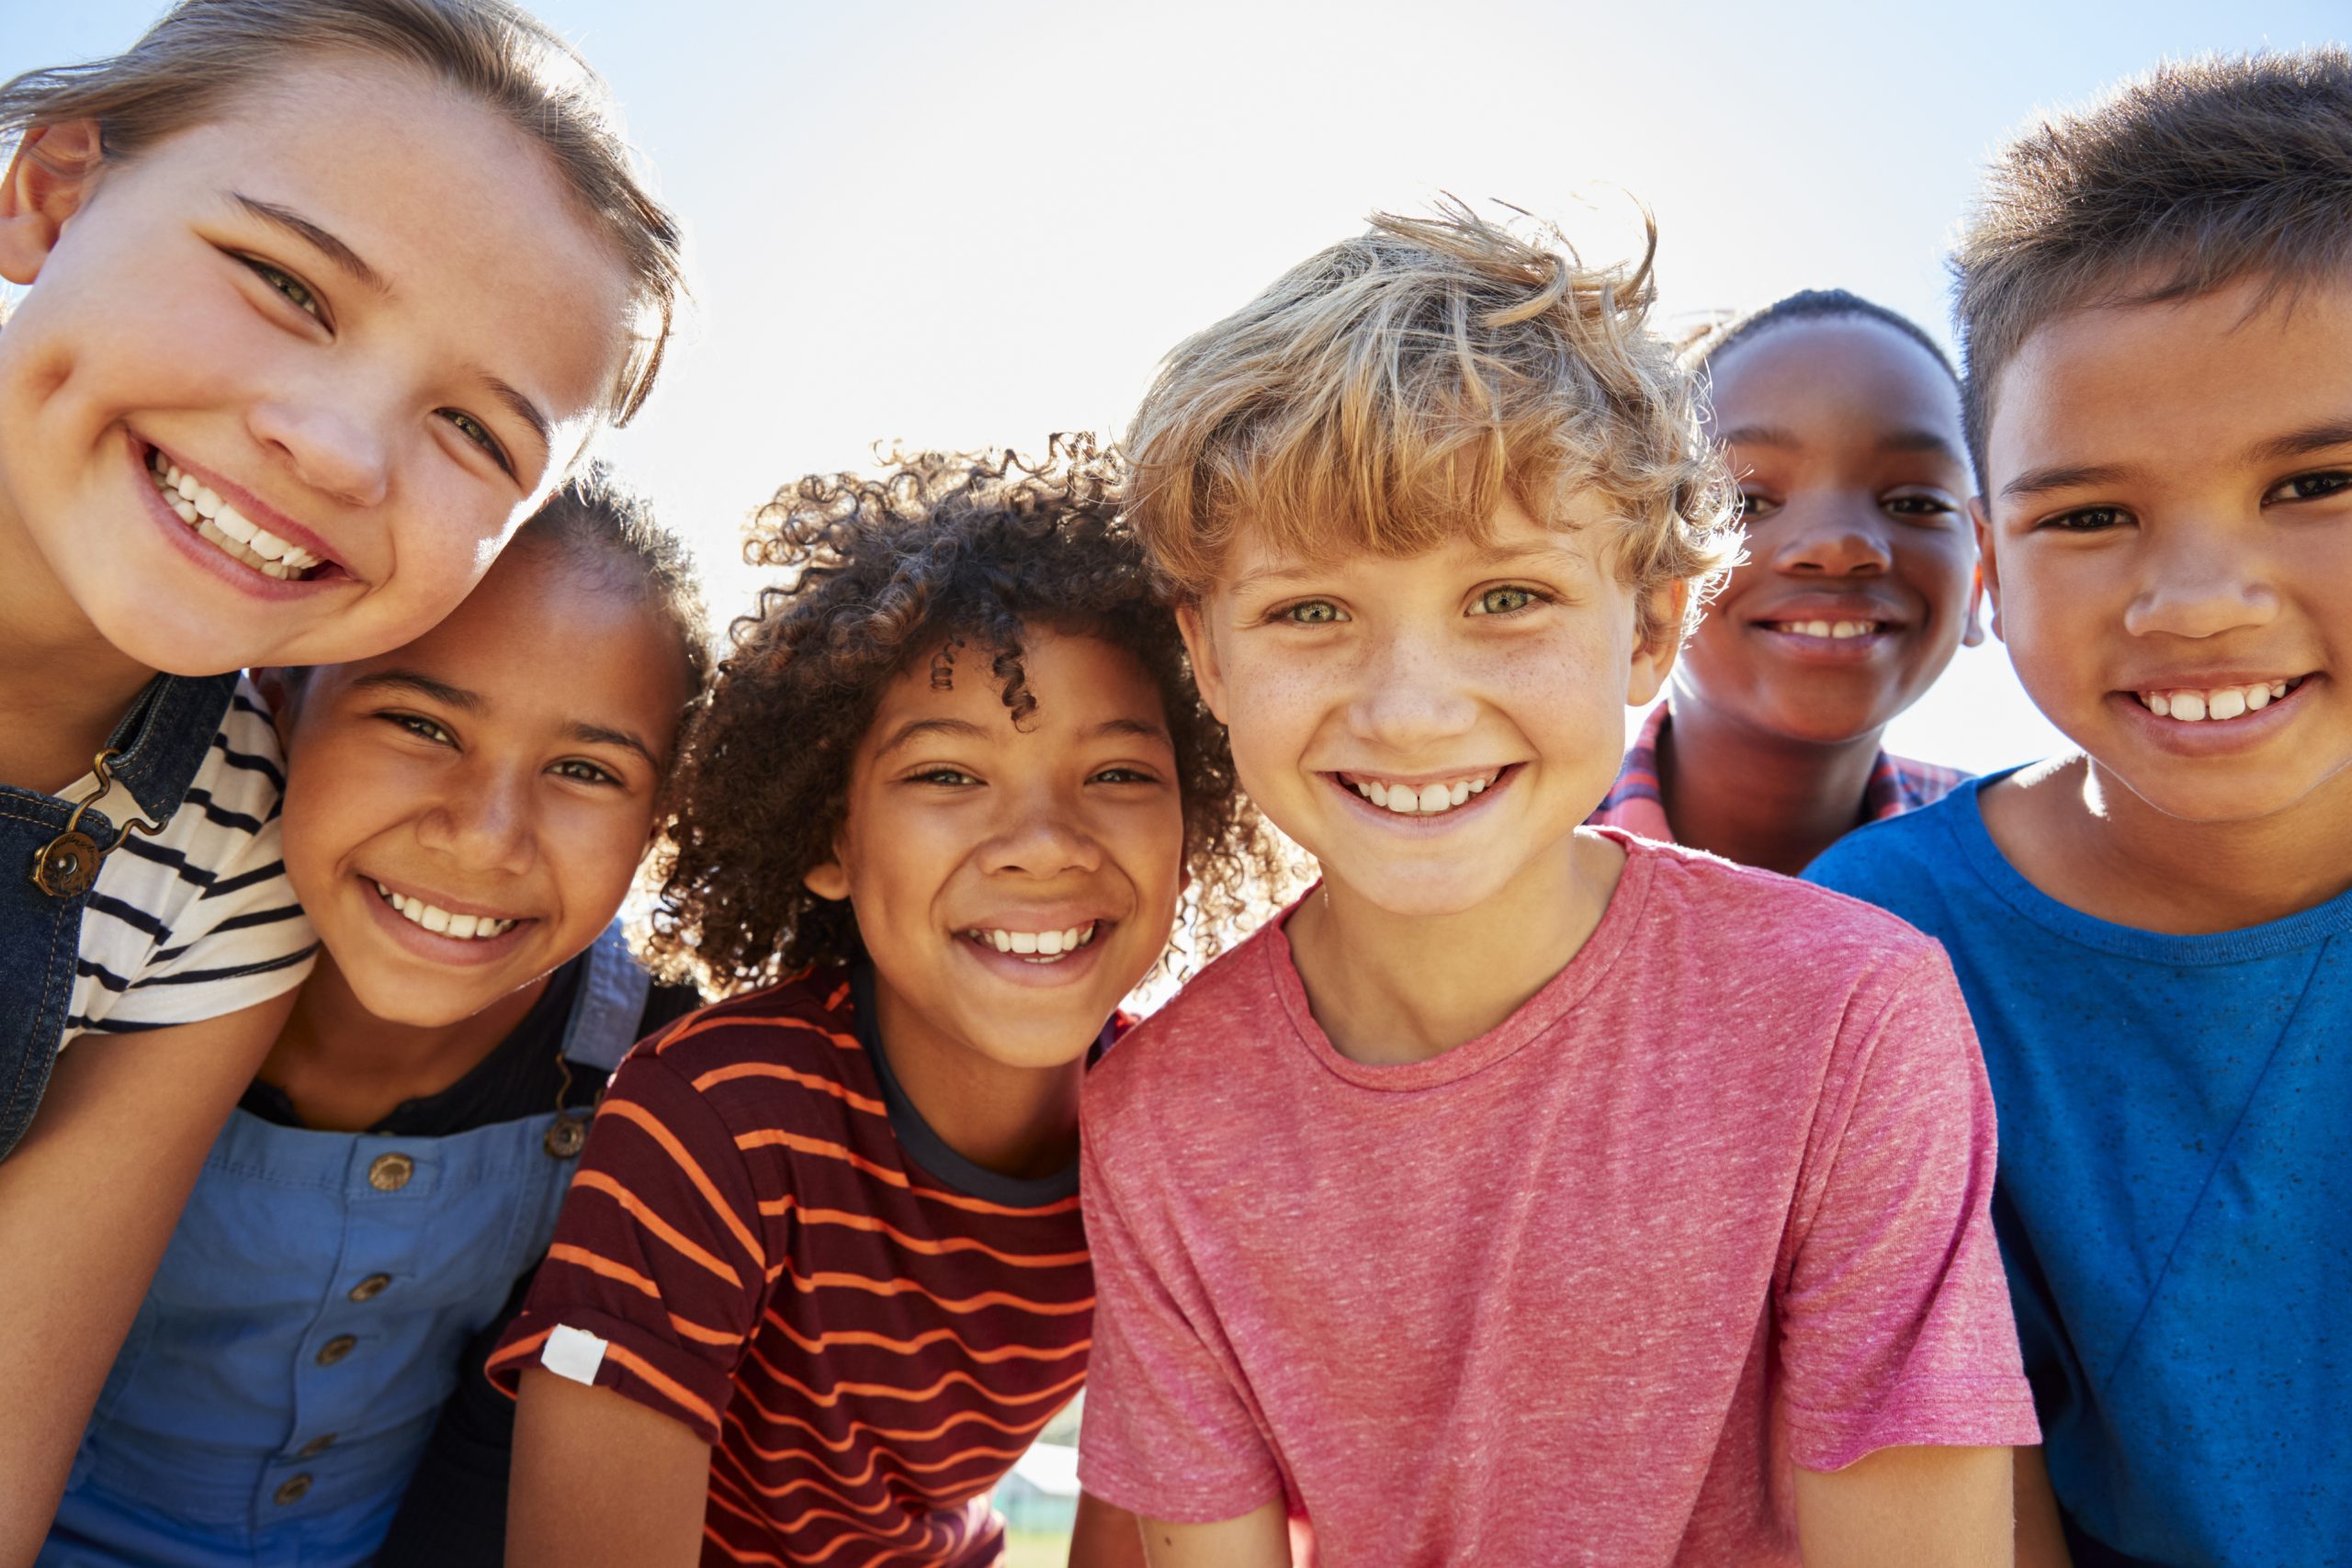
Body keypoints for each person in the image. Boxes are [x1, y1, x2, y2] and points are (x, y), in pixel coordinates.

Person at [1076, 203, 2039, 1566]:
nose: (1410, 711)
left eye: (1508, 597)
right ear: (1210, 656)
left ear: (1650, 625)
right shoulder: (1158, 1115)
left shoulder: (1851, 1014)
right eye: (1310, 610)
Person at [0, 0, 683, 1541]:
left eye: (475, 430)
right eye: (288, 286)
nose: (340, 447)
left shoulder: (231, 859)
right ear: (50, 187)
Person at [492, 443, 1286, 1568]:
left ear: (1191, 824)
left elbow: (1147, 1526)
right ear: (831, 836)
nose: (1045, 847)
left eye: (1116, 775)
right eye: (948, 777)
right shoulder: (719, 1114)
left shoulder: (1178, 1142)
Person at [1805, 49, 2352, 1568]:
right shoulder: (1886, 950)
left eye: (2317, 483)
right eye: (2092, 514)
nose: (2195, 602)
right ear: (1986, 563)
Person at [33, 471, 706, 1568]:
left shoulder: (658, 1062)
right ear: (279, 695)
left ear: (663, 815)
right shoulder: (104, 935)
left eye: (585, 769)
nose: (486, 839)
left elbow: (505, 1447)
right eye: (420, 723)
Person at [1590, 290, 1979, 871]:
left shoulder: (2035, 874)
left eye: (1916, 502)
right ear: (1648, 577)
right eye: (1745, 501)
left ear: (1979, 581)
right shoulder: (1502, 858)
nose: (1838, 545)